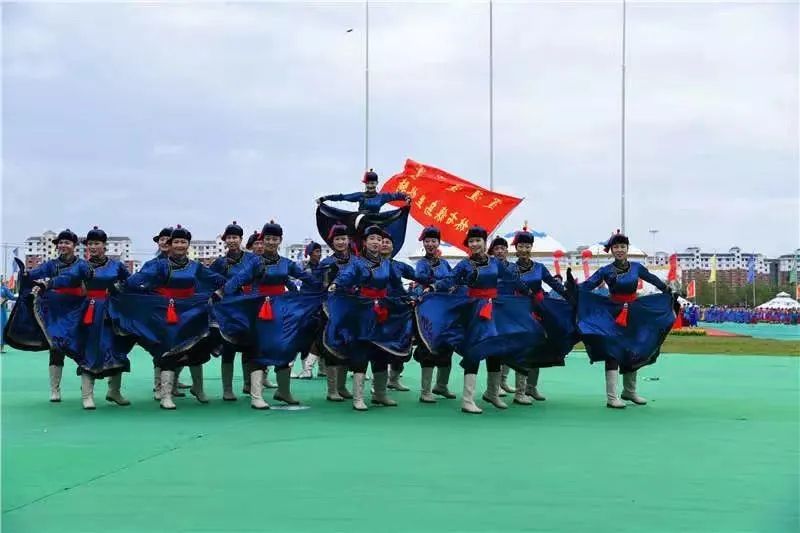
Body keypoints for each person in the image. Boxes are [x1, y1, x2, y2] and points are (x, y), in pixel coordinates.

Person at [419, 226, 543, 414]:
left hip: (494, 309)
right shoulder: (464, 264)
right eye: (471, 241)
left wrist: (529, 292)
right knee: (474, 350)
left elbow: (512, 279)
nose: (474, 244)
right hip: (474, 310)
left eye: (478, 240)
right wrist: (433, 287)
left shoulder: (496, 263)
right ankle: (467, 400)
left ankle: (492, 393)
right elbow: (450, 280)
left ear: (485, 243)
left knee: (496, 350)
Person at [116, 225, 227, 410]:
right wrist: (124, 288)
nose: (180, 245)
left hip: (191, 311)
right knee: (168, 349)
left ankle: (198, 388)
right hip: (166, 312)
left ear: (188, 245)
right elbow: (138, 280)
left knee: (196, 345)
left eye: (183, 242)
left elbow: (217, 279)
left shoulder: (196, 267)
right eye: (176, 242)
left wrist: (227, 288)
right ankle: (165, 395)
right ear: (170, 244)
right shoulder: (160, 265)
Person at [214, 221, 319, 410]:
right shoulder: (255, 262)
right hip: (259, 309)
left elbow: (306, 278)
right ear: (263, 240)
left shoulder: (286, 263)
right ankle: (256, 396)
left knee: (286, 345)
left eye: (274, 239)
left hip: (282, 310)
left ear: (280, 240)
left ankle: (284, 392)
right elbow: (239, 279)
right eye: (268, 239)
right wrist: (222, 293)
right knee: (259, 348)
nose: (271, 242)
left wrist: (325, 287)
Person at [577, 230, 675, 409]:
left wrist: (667, 290)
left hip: (634, 312)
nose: (620, 250)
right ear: (611, 250)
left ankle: (629, 391)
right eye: (616, 247)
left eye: (623, 246)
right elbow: (588, 285)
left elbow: (653, 279)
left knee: (633, 349)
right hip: (612, 313)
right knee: (612, 351)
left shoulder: (637, 267)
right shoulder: (605, 270)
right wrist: (571, 287)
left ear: (627, 249)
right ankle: (612, 397)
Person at [326, 225, 416, 411]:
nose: (376, 242)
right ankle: (358, 397)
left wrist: (412, 296)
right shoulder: (357, 263)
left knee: (381, 351)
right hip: (362, 309)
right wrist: (336, 283)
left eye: (379, 239)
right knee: (361, 349)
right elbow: (346, 276)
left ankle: (380, 394)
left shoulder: (387, 264)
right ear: (365, 242)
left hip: (383, 309)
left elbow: (397, 286)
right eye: (372, 239)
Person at [55, 227, 135, 409]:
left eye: (96, 243)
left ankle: (114, 391)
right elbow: (66, 279)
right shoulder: (81, 266)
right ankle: (87, 395)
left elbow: (130, 282)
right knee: (90, 349)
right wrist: (47, 284)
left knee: (116, 348)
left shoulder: (117, 265)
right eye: (90, 244)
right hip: (90, 311)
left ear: (104, 245)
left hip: (113, 312)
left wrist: (123, 289)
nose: (92, 247)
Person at [23, 229, 94, 403]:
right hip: (56, 310)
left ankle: (86, 391)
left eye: (67, 242)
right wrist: (26, 274)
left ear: (74, 245)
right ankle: (54, 389)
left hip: (78, 309)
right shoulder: (51, 264)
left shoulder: (82, 264)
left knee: (80, 346)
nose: (63, 245)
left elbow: (83, 279)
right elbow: (36, 273)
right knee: (56, 347)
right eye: (60, 242)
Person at [510, 226, 576, 404]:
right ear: (516, 248)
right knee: (523, 348)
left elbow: (554, 284)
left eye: (527, 246)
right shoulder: (510, 268)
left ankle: (531, 387)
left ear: (531, 247)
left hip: (539, 311)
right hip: (519, 311)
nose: (524, 249)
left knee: (538, 346)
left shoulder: (539, 268)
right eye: (521, 246)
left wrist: (570, 296)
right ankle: (519, 391)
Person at [412, 226, 456, 403]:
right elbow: (421, 278)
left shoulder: (444, 263)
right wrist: (441, 283)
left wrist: (448, 284)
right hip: (428, 308)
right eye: (427, 241)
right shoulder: (421, 264)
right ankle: (425, 391)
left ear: (438, 242)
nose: (430, 244)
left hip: (445, 308)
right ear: (423, 243)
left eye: (433, 241)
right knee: (428, 345)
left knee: (447, 345)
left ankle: (441, 385)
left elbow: (452, 279)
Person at [209, 221, 251, 401]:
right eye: (229, 238)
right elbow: (209, 280)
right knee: (229, 348)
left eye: (235, 237)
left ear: (241, 239)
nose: (232, 240)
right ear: (225, 240)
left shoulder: (252, 259)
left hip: (248, 308)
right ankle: (227, 389)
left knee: (249, 347)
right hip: (227, 310)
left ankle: (249, 384)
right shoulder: (220, 263)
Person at [317, 224, 356, 402]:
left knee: (348, 345)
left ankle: (342, 387)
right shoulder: (326, 263)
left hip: (352, 307)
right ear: (332, 242)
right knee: (332, 346)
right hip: (330, 308)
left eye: (343, 238)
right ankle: (332, 390)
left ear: (349, 240)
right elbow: (321, 286)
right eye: (337, 239)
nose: (340, 242)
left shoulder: (357, 261)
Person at [381, 232, 416, 392]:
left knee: (402, 344)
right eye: (382, 241)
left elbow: (419, 277)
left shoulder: (400, 266)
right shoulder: (368, 265)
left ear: (393, 247)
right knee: (379, 348)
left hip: (399, 310)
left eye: (388, 242)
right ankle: (378, 384)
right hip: (379, 309)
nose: (384, 244)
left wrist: (433, 283)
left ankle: (393, 380)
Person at [242, 230, 276, 391]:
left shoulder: (272, 261)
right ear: (250, 246)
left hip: (269, 306)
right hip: (248, 305)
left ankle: (263, 377)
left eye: (262, 243)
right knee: (249, 346)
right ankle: (248, 382)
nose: (260, 246)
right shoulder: (247, 262)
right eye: (257, 243)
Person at [293, 241, 327, 380]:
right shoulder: (302, 267)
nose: (319, 254)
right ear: (310, 253)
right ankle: (296, 367)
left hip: (320, 303)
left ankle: (321, 368)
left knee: (321, 334)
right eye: (316, 251)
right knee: (303, 335)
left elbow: (325, 285)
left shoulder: (324, 267)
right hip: (305, 304)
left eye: (320, 251)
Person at [488, 235, 515, 397]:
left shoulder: (513, 268)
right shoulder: (489, 267)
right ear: (492, 251)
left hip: (510, 310)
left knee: (510, 346)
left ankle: (504, 380)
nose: (499, 251)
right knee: (496, 347)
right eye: (496, 249)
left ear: (507, 251)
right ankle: (495, 385)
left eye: (502, 248)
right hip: (493, 309)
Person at [317, 169, 410, 214]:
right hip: (361, 222)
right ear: (365, 184)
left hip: (377, 222)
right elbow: (342, 197)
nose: (370, 186)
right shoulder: (360, 196)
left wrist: (406, 197)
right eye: (368, 183)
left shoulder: (382, 197)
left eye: (372, 183)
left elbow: (397, 195)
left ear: (377, 183)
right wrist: (325, 198)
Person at [1, 279, 17, 354]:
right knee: (2, 328)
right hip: (2, 312)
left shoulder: (4, 289)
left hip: (2, 311)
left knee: (2, 328)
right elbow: (12, 297)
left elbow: (12, 297)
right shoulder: (4, 289)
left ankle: (1, 348)